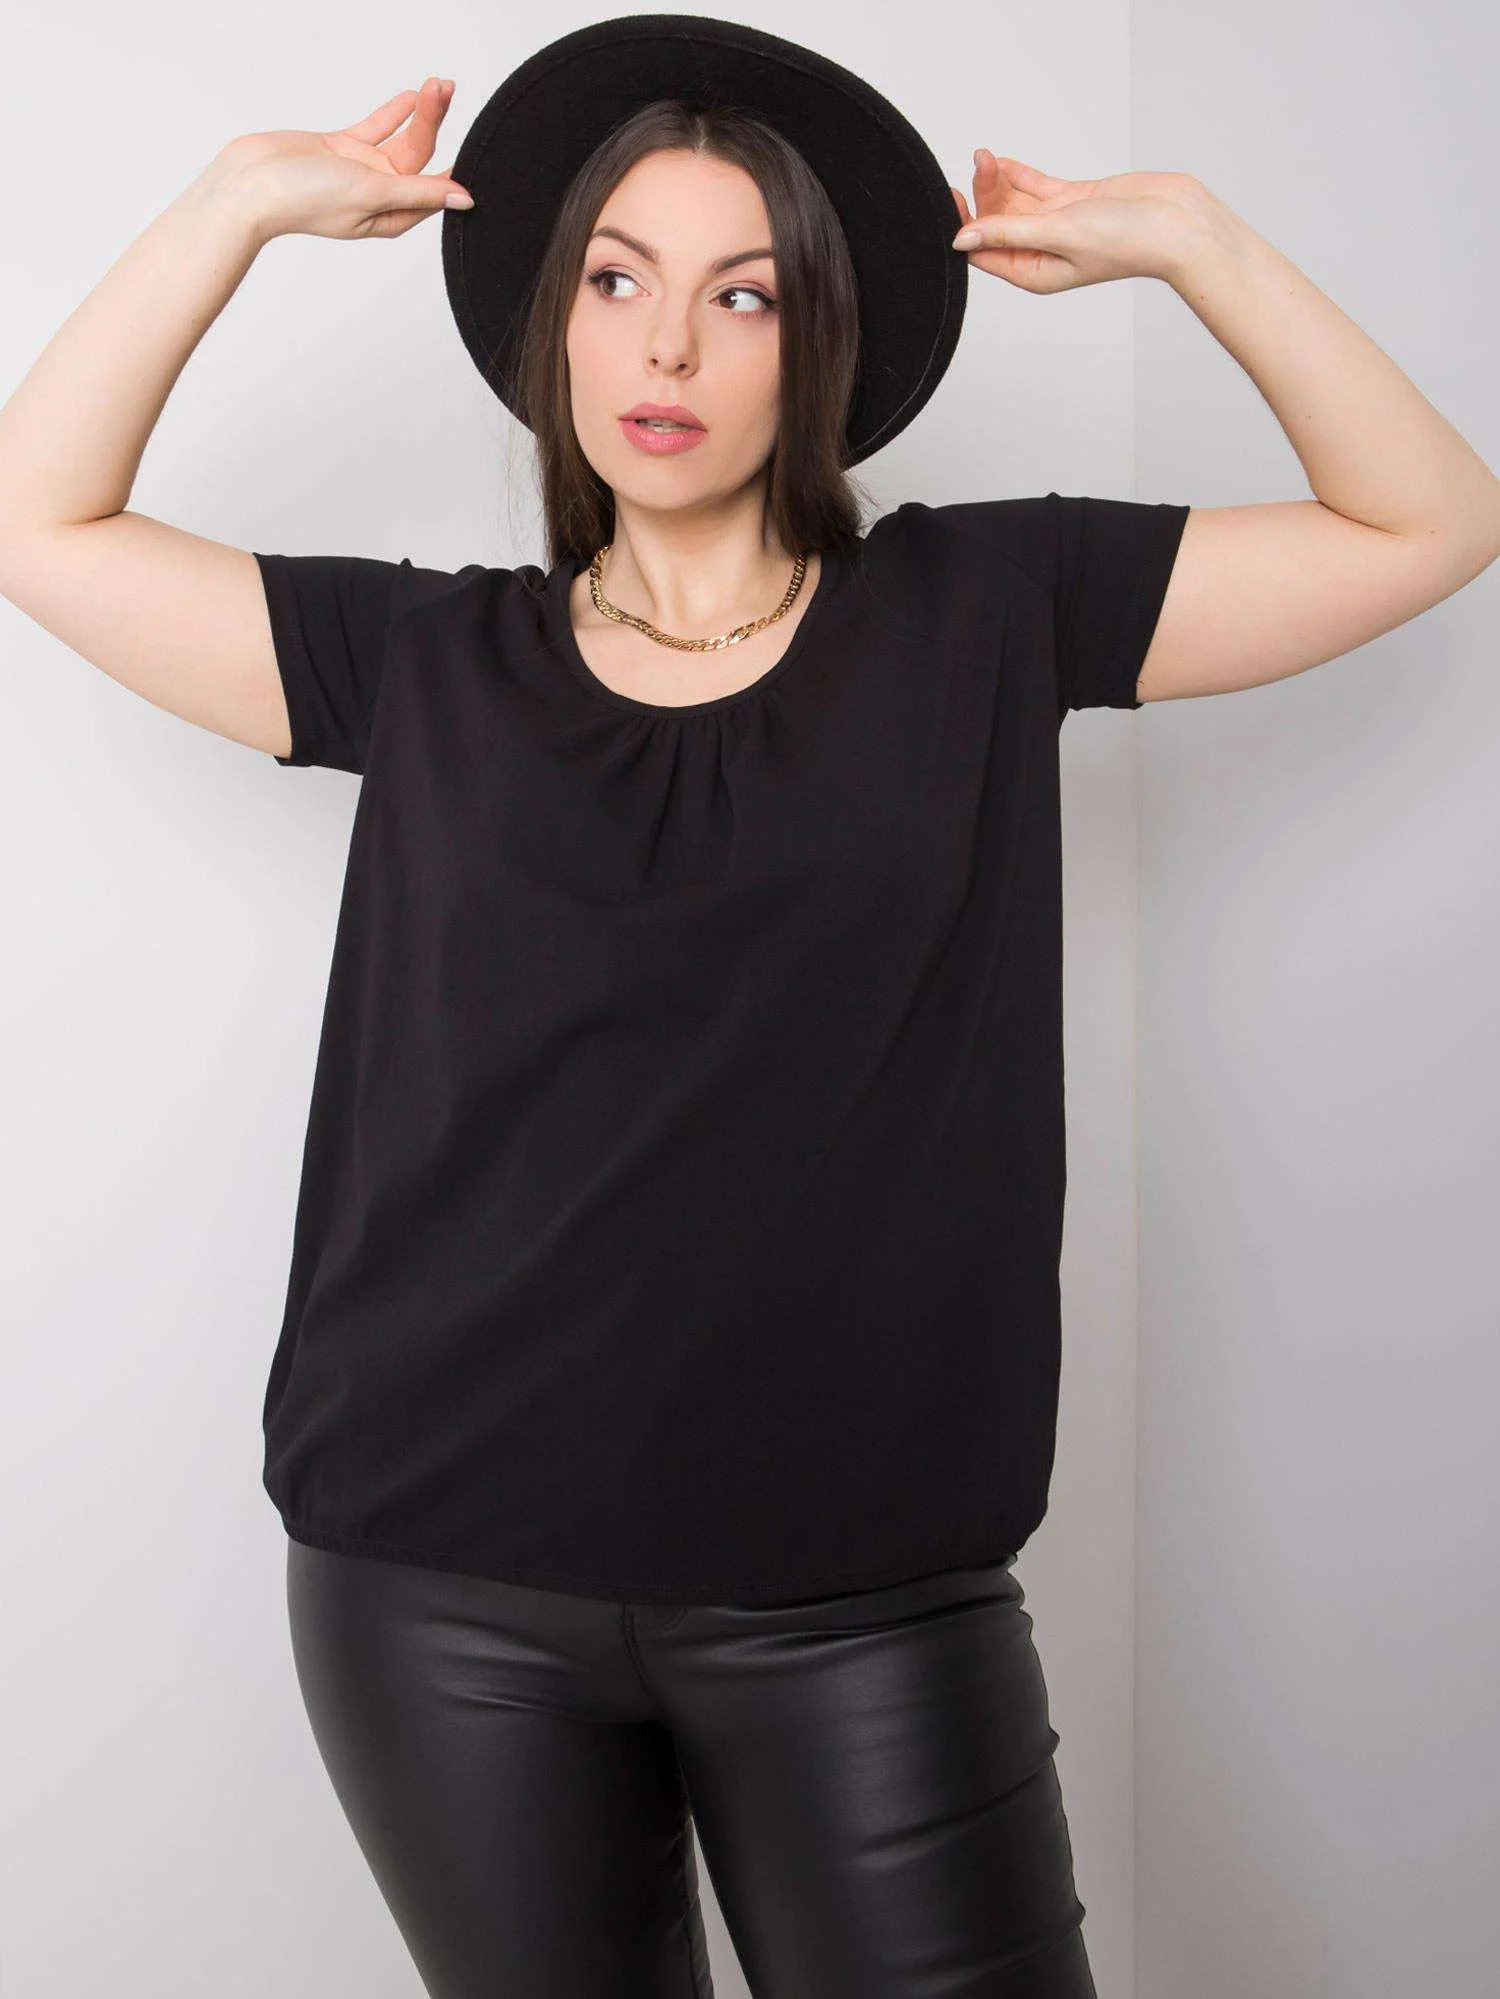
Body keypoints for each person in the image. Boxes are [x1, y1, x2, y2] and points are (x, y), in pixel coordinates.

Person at [7, 15, 1494, 1999]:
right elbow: (37, 519)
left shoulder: (988, 610)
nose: (671, 350)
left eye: (742, 295)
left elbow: (1430, 519)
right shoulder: (421, 659)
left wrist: (1195, 242)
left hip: (863, 1597)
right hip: (438, 1588)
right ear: (554, 326)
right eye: (618, 283)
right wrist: (233, 206)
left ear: (818, 345)